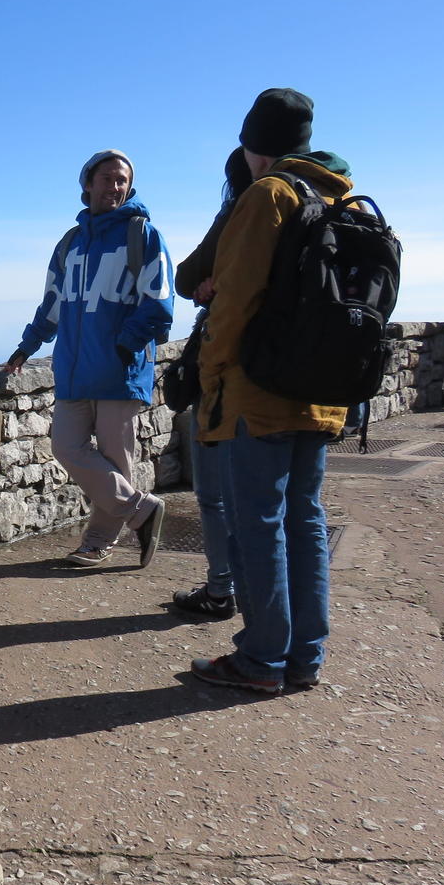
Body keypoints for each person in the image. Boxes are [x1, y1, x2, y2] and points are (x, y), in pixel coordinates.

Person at [190, 88, 350, 694]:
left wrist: (213, 384)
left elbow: (232, 302)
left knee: (257, 523)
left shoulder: (269, 195)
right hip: (322, 390)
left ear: (254, 147)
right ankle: (304, 658)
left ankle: (261, 659)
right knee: (305, 520)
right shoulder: (342, 195)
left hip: (258, 393)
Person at [5, 150, 174, 568]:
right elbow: (53, 304)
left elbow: (160, 302)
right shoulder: (70, 243)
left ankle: (97, 542)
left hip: (120, 369)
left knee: (117, 459)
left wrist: (125, 345)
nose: (114, 187)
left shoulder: (143, 234)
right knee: (66, 446)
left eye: (122, 180)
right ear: (88, 184)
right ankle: (141, 509)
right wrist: (28, 345)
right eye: (107, 178)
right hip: (74, 368)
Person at [169, 148, 254, 619]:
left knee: (217, 495)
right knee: (292, 505)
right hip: (298, 376)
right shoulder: (326, 201)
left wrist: (213, 282)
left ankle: (223, 590)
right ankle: (294, 632)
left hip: (228, 368)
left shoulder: (247, 205)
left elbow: (186, 275)